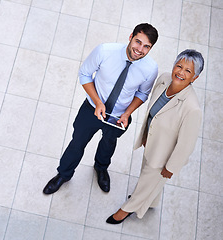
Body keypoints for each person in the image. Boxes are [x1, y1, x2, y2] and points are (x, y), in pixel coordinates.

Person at [43, 23, 159, 195]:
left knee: (109, 143)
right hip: (92, 108)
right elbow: (84, 74)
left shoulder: (150, 68)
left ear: (150, 48)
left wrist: (127, 113)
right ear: (130, 37)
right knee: (77, 142)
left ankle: (101, 168)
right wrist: (98, 102)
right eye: (137, 42)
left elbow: (142, 94)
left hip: (119, 116)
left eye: (146, 46)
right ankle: (64, 174)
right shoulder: (105, 51)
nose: (140, 49)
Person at [106, 49, 204, 224]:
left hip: (164, 156)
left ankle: (126, 210)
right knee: (150, 180)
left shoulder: (192, 108)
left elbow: (186, 145)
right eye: (179, 66)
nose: (180, 72)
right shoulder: (164, 79)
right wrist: (145, 135)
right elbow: (153, 113)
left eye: (188, 71)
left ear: (194, 78)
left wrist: (171, 167)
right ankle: (151, 201)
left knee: (146, 181)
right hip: (152, 143)